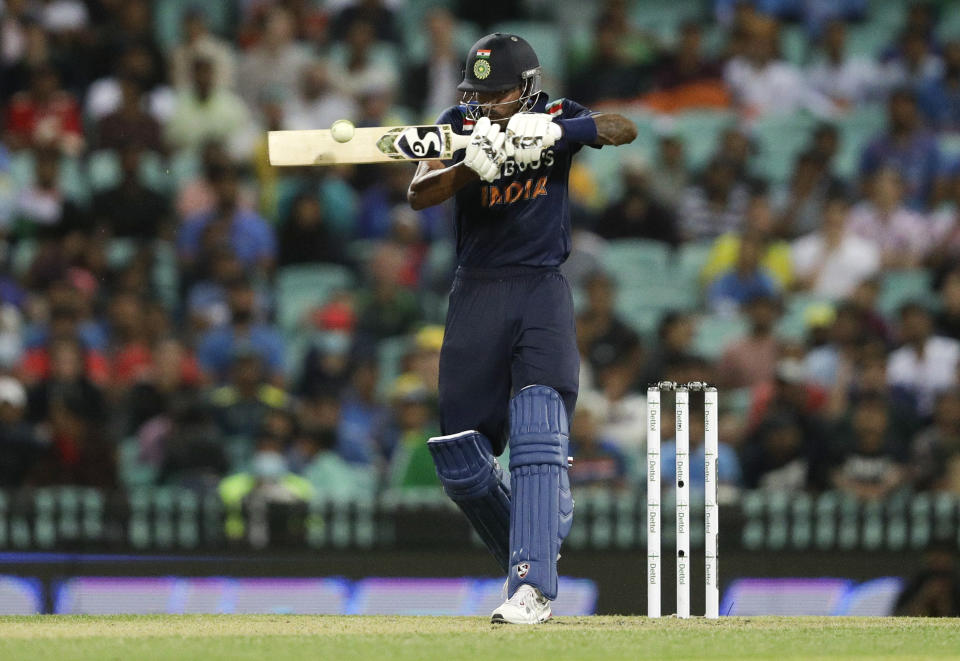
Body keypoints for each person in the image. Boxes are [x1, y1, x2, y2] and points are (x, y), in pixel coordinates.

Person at [407, 33, 636, 624]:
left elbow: (621, 128)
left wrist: (559, 134)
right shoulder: (457, 121)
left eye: (498, 94)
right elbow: (417, 192)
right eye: (476, 92)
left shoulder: (555, 113)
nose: (485, 104)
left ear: (529, 87)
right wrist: (466, 169)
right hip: (477, 288)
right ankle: (534, 543)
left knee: (537, 429)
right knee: (460, 461)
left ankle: (532, 587)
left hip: (540, 287)